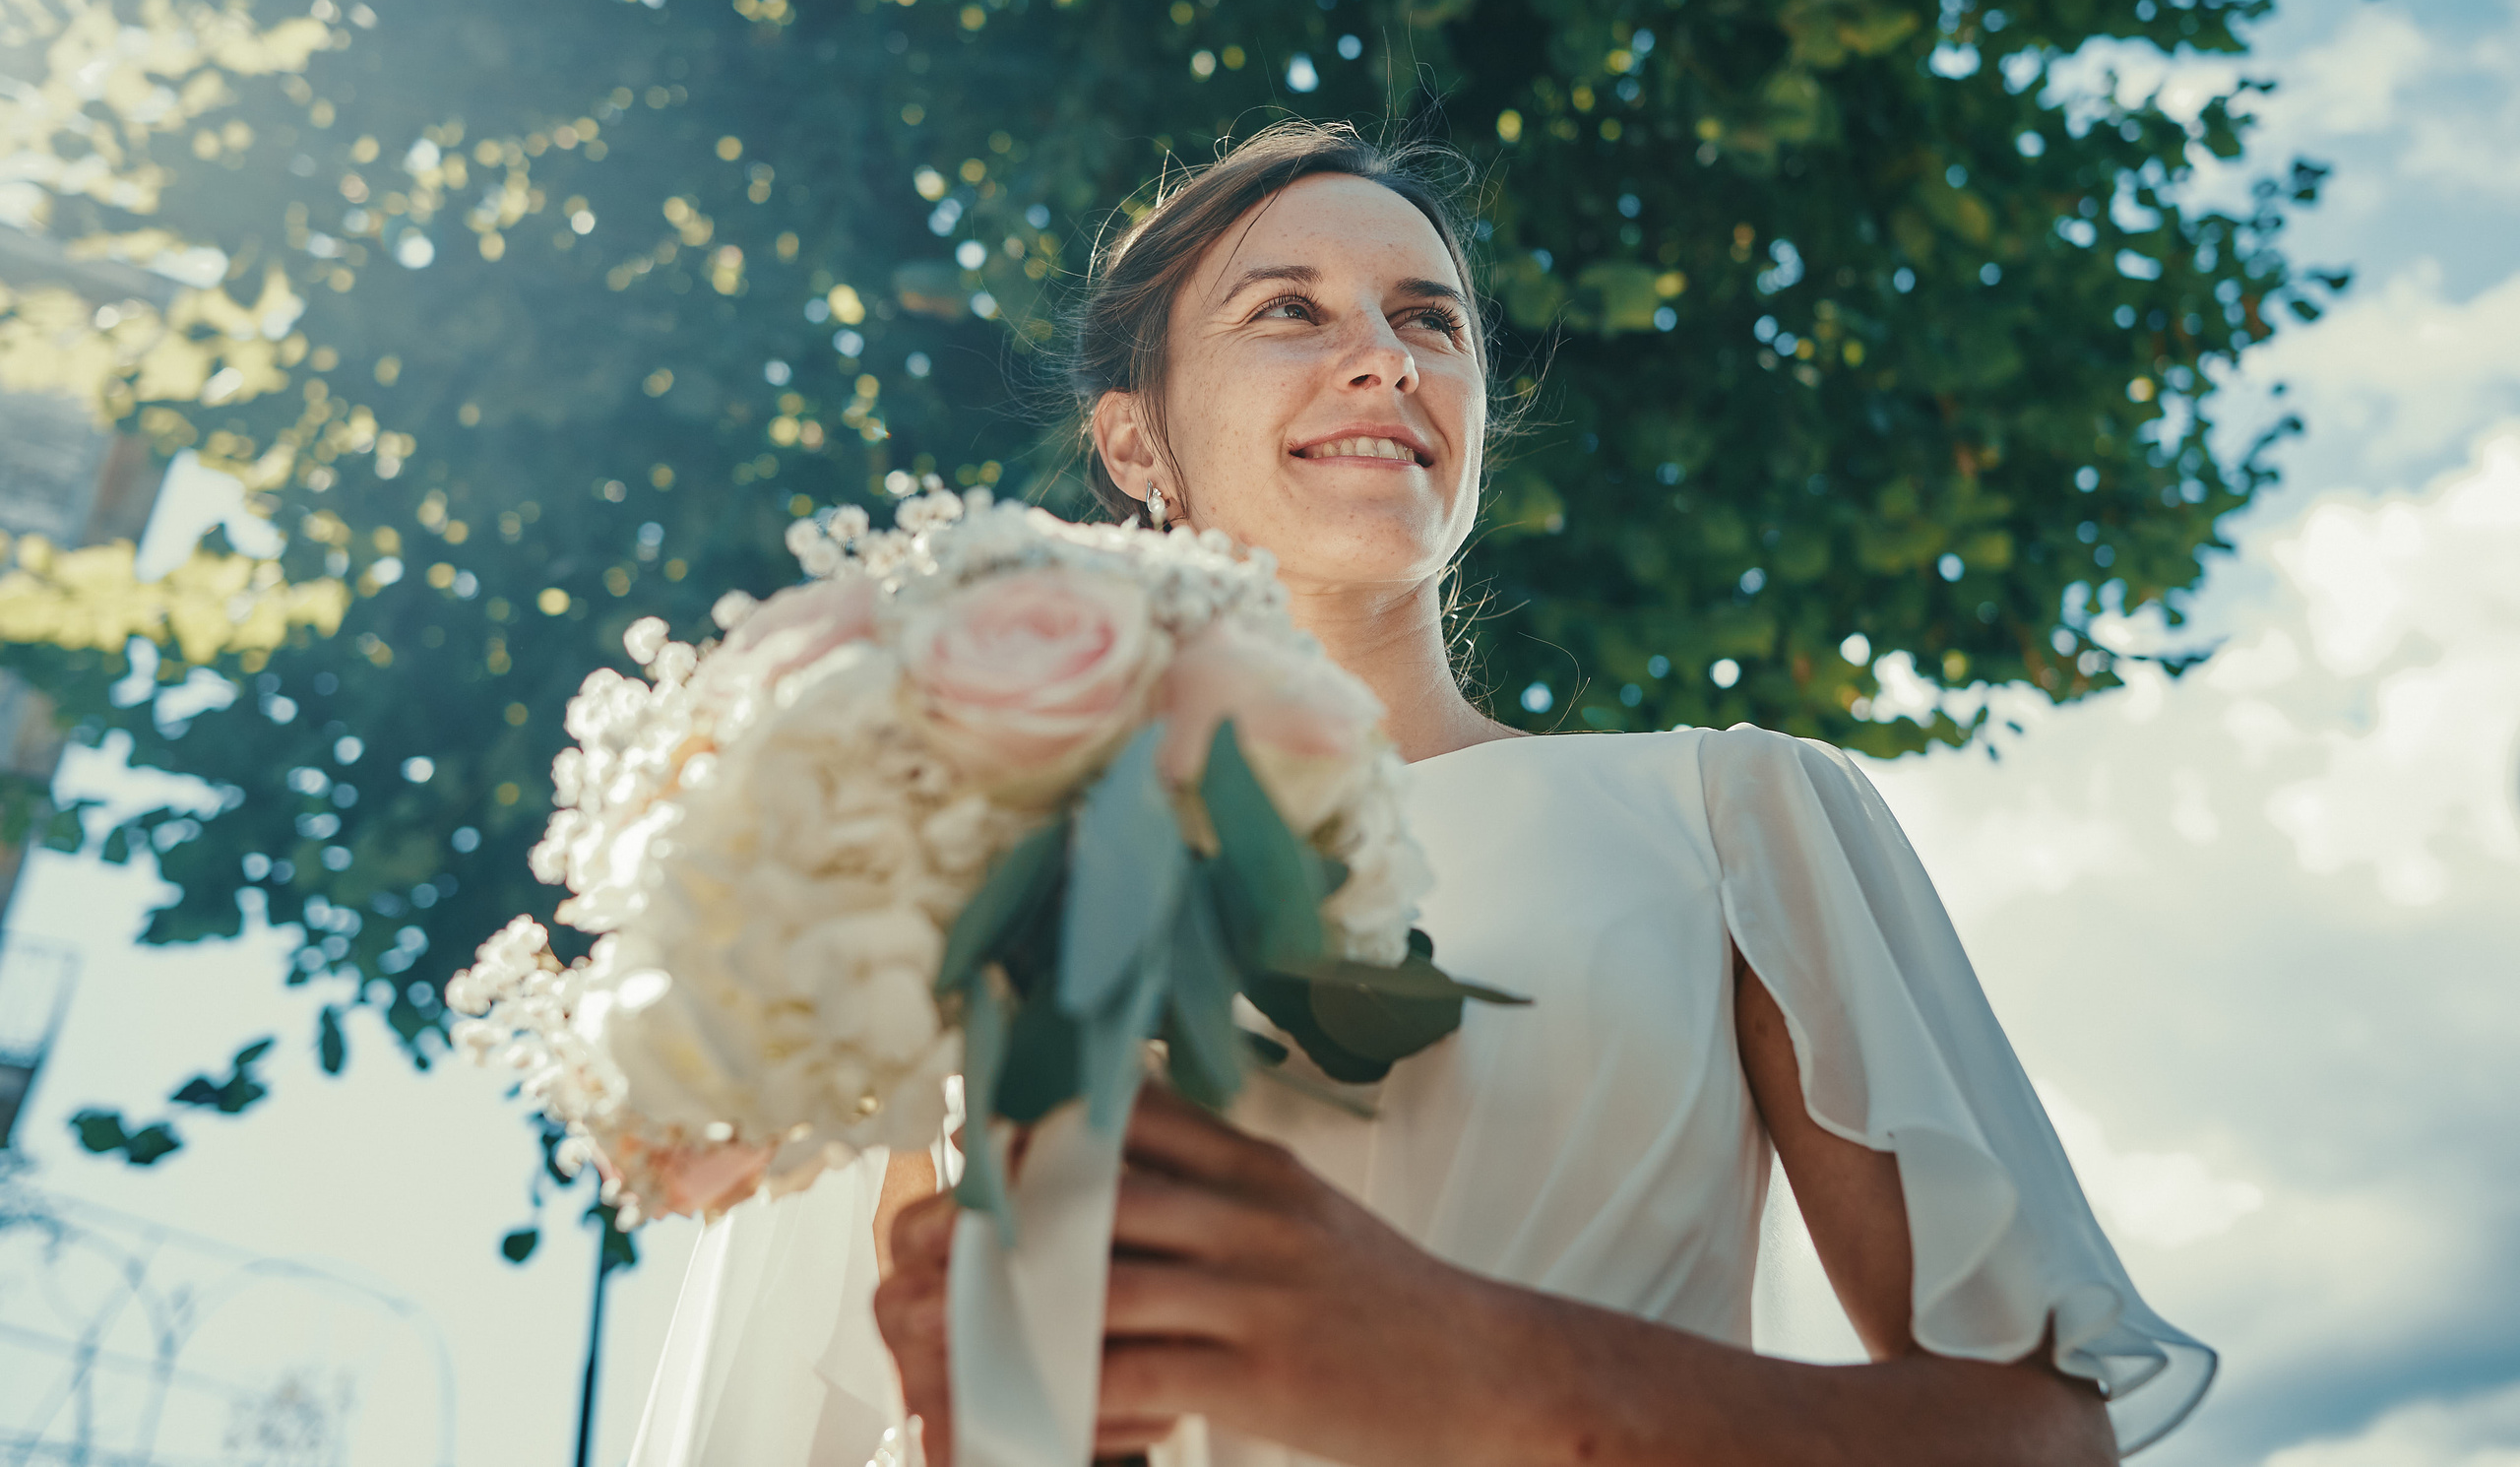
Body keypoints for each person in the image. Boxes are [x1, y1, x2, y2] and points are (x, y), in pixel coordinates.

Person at [628, 121, 2214, 1467]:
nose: (1382, 354)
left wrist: (1467, 1362)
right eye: (1289, 312)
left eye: (1429, 319)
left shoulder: (1734, 815)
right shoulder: (958, 881)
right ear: (1135, 442)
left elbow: (2039, 1433)